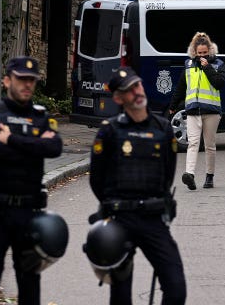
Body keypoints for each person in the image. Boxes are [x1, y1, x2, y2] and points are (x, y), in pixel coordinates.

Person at [89, 66, 186, 304]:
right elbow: (97, 180)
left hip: (153, 218)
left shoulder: (163, 129)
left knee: (175, 287)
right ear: (118, 98)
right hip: (120, 219)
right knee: (120, 293)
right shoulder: (109, 132)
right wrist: (113, 204)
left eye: (137, 85)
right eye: (128, 90)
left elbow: (168, 173)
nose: (136, 92)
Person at [0, 56, 64, 304]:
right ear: (6, 81)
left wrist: (11, 140)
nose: (27, 85)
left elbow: (54, 148)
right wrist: (35, 145)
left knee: (29, 279)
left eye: (31, 80)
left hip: (28, 211)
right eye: (21, 79)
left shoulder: (42, 116)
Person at [170, 32, 225, 190]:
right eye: (199, 53)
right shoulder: (188, 65)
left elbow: (219, 83)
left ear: (210, 50)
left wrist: (207, 67)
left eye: (205, 53)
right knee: (193, 142)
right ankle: (190, 174)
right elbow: (181, 87)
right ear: (194, 52)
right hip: (193, 110)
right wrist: (172, 106)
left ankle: (209, 177)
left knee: (209, 145)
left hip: (212, 111)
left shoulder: (218, 64)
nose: (202, 56)